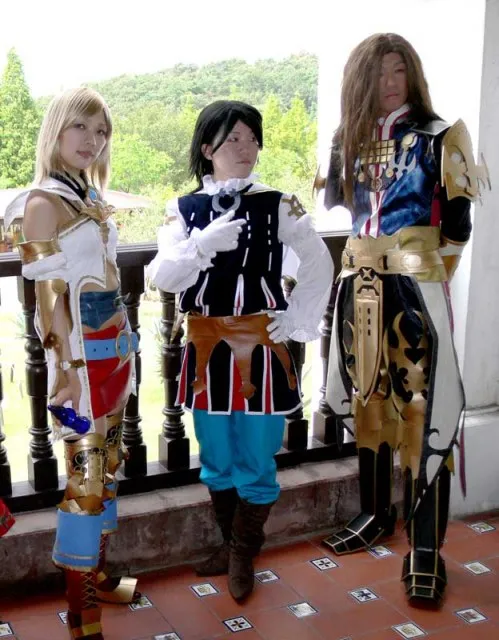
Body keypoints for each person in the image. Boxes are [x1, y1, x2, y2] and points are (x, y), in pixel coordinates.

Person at [320, 33, 489, 605]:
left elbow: (458, 226)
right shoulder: (348, 139)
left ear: (411, 74)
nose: (389, 83)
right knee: (368, 400)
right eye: (378, 73)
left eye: (398, 71)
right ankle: (375, 513)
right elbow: (346, 210)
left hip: (415, 288)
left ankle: (425, 549)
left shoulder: (441, 137)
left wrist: (426, 275)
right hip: (357, 285)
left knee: (423, 412)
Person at [147, 100, 333, 602]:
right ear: (207, 148)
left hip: (261, 347)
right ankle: (232, 545)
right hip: (206, 349)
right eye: (233, 138)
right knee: (216, 451)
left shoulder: (278, 203)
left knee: (256, 451)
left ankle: (242, 552)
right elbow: (163, 276)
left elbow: (318, 261)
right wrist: (202, 244)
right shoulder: (183, 210)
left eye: (252, 138)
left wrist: (295, 319)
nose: (245, 147)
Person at [5, 87, 139, 639]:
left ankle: (98, 575)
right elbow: (48, 299)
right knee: (85, 483)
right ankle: (81, 609)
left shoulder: (88, 197)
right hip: (79, 370)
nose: (92, 140)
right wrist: (66, 374)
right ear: (56, 130)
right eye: (80, 127)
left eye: (101, 131)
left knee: (110, 468)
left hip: (116, 358)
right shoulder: (42, 202)